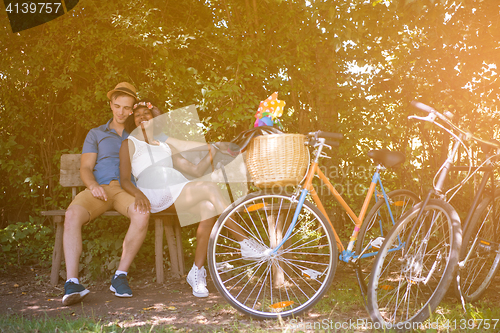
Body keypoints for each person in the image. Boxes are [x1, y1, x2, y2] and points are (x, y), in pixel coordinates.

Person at [119, 100, 265, 297]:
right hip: (153, 191)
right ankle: (244, 241)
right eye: (137, 115)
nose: (142, 117)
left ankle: (196, 273)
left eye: (147, 113)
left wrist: (212, 151)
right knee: (210, 187)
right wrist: (138, 194)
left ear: (154, 118)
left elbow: (194, 171)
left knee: (207, 206)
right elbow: (125, 180)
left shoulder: (165, 146)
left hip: (176, 188)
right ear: (133, 122)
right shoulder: (130, 143)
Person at [62, 82, 150, 306]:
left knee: (142, 214)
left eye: (126, 108)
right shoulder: (96, 134)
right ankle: (72, 282)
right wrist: (92, 186)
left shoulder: (137, 137)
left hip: (124, 191)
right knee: (71, 215)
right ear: (110, 105)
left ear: (131, 110)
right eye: (117, 106)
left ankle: (120, 276)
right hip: (98, 190)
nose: (121, 112)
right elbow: (85, 168)